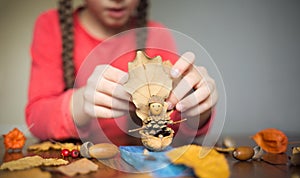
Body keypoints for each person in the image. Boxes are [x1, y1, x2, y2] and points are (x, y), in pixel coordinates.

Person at [26, 0, 218, 146]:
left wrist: (197, 108)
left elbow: (175, 128)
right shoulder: (51, 25)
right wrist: (80, 102)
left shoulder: (157, 34)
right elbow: (36, 120)